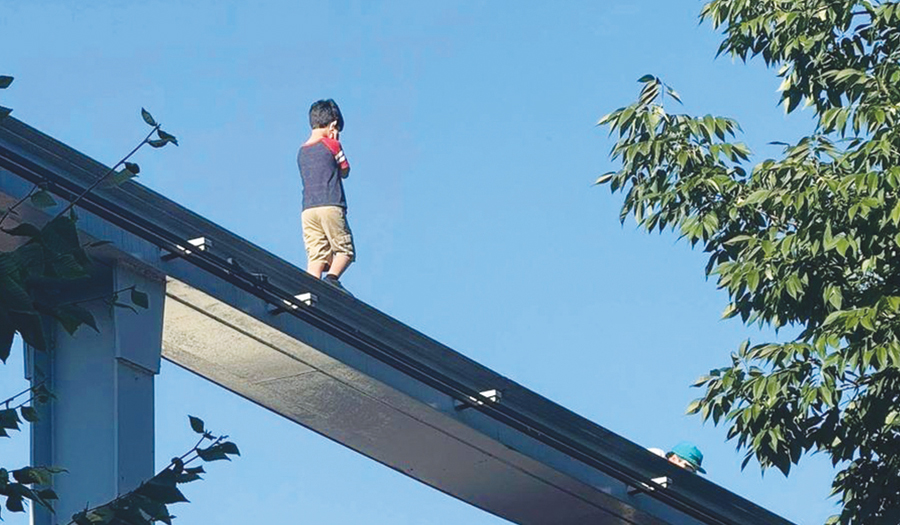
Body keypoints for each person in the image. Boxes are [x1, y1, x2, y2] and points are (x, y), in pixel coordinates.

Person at [298, 99, 354, 293]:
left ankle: (310, 289)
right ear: (333, 125)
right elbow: (345, 171)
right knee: (345, 250)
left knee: (316, 255)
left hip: (308, 210)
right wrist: (336, 142)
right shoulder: (332, 144)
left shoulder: (302, 151)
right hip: (331, 204)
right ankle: (332, 279)